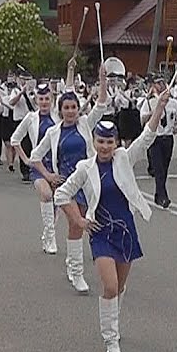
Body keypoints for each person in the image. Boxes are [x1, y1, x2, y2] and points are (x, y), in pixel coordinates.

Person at [55, 92, 168, 352]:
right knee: (109, 286)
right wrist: (79, 221)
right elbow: (61, 194)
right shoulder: (85, 167)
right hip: (100, 232)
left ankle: (113, 321)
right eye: (100, 141)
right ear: (93, 143)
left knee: (120, 287)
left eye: (109, 142)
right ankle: (111, 339)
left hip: (126, 231)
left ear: (116, 143)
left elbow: (147, 137)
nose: (105, 147)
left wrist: (159, 108)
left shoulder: (124, 159)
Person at [29, 60, 110, 294]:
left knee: (81, 225)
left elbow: (102, 105)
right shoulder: (53, 132)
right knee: (76, 224)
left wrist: (102, 79)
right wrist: (48, 175)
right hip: (65, 186)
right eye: (67, 108)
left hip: (86, 182)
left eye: (74, 107)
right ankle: (76, 272)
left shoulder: (85, 124)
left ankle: (72, 264)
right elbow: (35, 157)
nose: (71, 111)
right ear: (60, 110)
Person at [10, 83, 60, 254]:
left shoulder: (58, 117)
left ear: (52, 100)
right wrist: (26, 160)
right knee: (46, 195)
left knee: (56, 202)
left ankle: (47, 234)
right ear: (36, 100)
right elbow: (15, 139)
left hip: (56, 165)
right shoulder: (31, 118)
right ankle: (51, 237)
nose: (44, 102)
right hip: (39, 165)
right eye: (41, 99)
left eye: (47, 99)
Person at [139, 77, 177, 209]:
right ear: (153, 86)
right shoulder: (149, 102)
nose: (161, 85)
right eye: (158, 84)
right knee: (158, 169)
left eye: (163, 83)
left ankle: (158, 194)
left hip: (168, 138)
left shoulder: (173, 103)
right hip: (155, 139)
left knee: (164, 169)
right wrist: (154, 111)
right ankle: (163, 197)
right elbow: (142, 120)